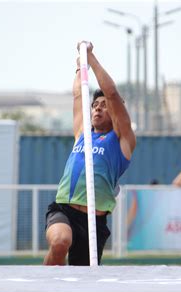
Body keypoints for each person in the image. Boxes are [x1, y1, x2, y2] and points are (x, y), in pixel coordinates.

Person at [43, 41, 136, 266]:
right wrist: (79, 66)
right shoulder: (82, 134)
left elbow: (112, 93)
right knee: (59, 242)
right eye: (95, 105)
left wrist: (91, 58)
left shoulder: (122, 139)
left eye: (104, 105)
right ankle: (41, 290)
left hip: (94, 221)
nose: (97, 108)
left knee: (80, 280)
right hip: (64, 208)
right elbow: (78, 96)